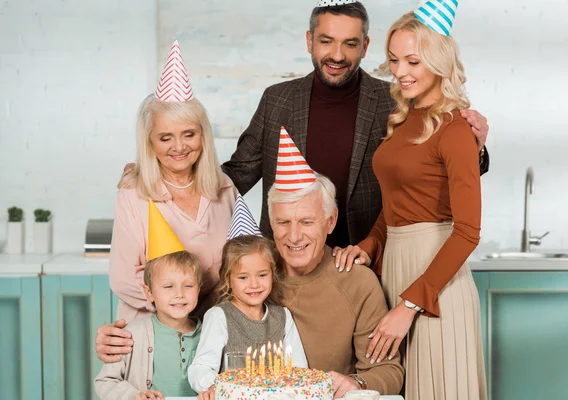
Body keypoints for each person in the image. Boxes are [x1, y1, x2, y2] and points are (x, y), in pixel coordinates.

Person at [97, 134, 404, 398]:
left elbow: (388, 370)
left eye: (307, 222)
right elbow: (183, 325)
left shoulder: (357, 282)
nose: (294, 236)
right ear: (271, 222)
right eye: (283, 222)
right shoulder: (243, 277)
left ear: (330, 221)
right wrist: (126, 342)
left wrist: (355, 383)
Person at [221, 0, 490, 250]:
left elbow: (432, 170)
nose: (337, 55)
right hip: (286, 265)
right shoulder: (276, 100)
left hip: (366, 265)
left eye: (350, 44)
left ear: (365, 46)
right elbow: (236, 177)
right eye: (326, 41)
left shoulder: (394, 103)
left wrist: (474, 147)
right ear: (309, 40)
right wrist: (181, 176)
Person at [333, 5, 487, 399]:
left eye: (413, 60)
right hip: (397, 271)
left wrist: (409, 307)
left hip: (437, 284)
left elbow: (468, 232)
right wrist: (369, 246)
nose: (400, 71)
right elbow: (395, 205)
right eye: (395, 60)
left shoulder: (455, 129)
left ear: (438, 59)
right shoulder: (403, 120)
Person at [109, 40, 236, 328]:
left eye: (188, 134)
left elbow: (239, 265)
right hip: (152, 335)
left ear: (202, 136)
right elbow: (123, 278)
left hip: (214, 333)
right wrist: (185, 307)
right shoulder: (134, 193)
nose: (179, 147)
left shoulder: (225, 188)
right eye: (166, 137)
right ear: (150, 142)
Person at [95, 201, 204, 400]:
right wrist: (134, 395)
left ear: (199, 287)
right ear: (149, 293)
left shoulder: (209, 333)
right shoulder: (131, 335)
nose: (179, 294)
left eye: (188, 286)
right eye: (168, 286)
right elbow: (105, 381)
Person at [188, 234, 307, 399]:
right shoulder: (219, 316)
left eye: (262, 275)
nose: (254, 284)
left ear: (273, 274)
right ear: (228, 278)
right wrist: (215, 387)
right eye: (243, 277)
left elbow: (299, 368)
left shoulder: (283, 316)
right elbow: (201, 367)